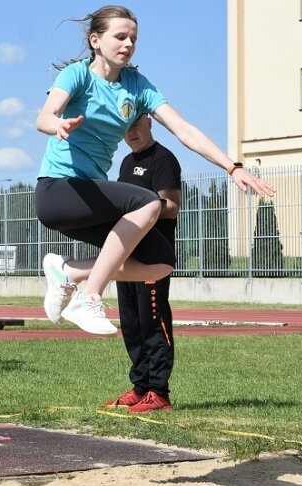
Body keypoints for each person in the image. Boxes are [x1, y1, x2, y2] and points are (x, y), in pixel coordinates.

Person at [35, 5, 274, 337]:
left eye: (133, 38)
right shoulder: (77, 75)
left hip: (92, 196)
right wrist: (57, 125)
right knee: (148, 202)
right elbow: (44, 116)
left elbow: (183, 129)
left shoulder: (136, 86)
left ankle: (69, 271)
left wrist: (231, 167)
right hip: (60, 191)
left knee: (160, 262)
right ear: (95, 40)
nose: (128, 44)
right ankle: (88, 297)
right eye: (120, 36)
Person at [107, 113, 180, 413]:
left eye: (136, 124)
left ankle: (159, 392)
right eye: (126, 127)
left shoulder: (163, 159)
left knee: (153, 321)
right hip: (127, 255)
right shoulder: (126, 163)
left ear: (149, 122)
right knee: (132, 323)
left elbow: (172, 207)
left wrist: (144, 208)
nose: (131, 132)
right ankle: (140, 387)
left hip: (152, 257)